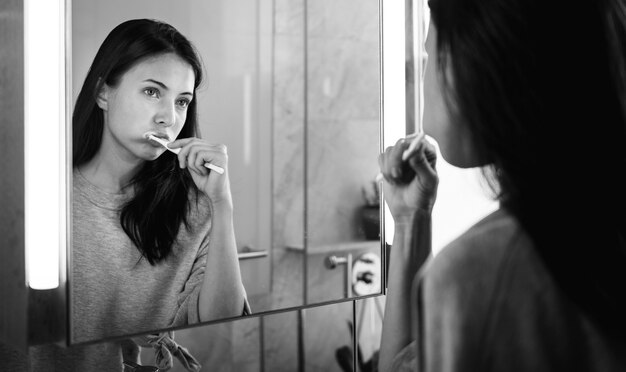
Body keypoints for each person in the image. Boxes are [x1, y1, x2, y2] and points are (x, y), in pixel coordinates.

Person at [377, 0, 626, 371]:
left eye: (429, 56)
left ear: (476, 67)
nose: (421, 73)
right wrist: (412, 220)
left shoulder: (480, 275)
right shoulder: (600, 228)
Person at [9, 18, 249, 371]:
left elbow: (223, 321)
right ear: (103, 92)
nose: (168, 117)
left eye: (182, 101)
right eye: (152, 91)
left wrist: (222, 205)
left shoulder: (194, 209)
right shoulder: (37, 198)